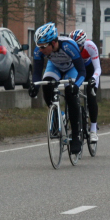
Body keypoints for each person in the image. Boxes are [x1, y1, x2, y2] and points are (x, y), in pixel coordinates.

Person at [29, 22, 86, 155]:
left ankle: (76, 136)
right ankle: (57, 116)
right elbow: (37, 73)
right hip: (54, 67)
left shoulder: (69, 46)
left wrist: (76, 86)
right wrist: (35, 86)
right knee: (46, 84)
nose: (40, 50)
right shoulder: (39, 50)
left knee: (70, 94)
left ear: (53, 43)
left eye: (43, 46)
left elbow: (82, 72)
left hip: (71, 68)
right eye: (38, 46)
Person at [70, 29, 101, 142]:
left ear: (83, 44)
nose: (75, 48)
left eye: (78, 46)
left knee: (91, 97)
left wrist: (93, 78)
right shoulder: (69, 48)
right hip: (77, 71)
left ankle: (93, 130)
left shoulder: (90, 46)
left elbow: (98, 67)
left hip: (90, 72)